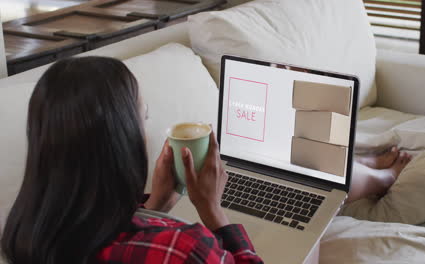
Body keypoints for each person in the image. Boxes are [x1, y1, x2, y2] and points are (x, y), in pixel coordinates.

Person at [0, 57, 263, 264]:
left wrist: (155, 206)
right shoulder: (184, 249)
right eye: (143, 118)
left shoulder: (23, 234)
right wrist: (212, 210)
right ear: (122, 139)